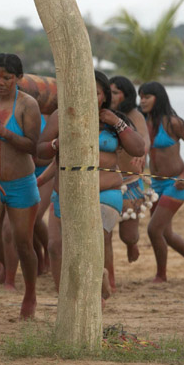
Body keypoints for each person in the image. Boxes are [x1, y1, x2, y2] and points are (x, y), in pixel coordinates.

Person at [37, 71, 144, 294]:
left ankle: (96, 294)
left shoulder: (114, 120)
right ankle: (65, 300)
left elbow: (138, 148)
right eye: (83, 92)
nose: (88, 98)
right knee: (56, 248)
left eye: (94, 93)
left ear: (103, 96)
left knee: (92, 245)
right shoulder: (61, 116)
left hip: (105, 192)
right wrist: (57, 143)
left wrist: (116, 122)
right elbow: (40, 151)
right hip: (66, 193)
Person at [0, 53, 42, 320]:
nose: (0, 82)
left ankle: (30, 295)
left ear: (18, 79)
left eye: (7, 78)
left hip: (21, 182)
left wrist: (5, 133)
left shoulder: (28, 105)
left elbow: (32, 146)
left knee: (24, 243)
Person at [139, 81, 184, 282]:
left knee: (154, 229)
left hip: (176, 183)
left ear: (158, 98)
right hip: (156, 184)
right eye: (141, 97)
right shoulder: (143, 122)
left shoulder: (174, 123)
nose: (142, 101)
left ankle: (161, 275)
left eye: (147, 97)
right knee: (167, 234)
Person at [108, 76, 150, 265]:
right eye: (110, 92)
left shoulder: (135, 114)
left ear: (126, 95)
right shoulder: (104, 114)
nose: (112, 95)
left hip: (130, 181)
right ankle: (111, 279)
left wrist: (142, 153)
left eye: (116, 92)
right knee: (104, 234)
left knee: (129, 235)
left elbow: (145, 138)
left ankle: (131, 244)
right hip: (106, 180)